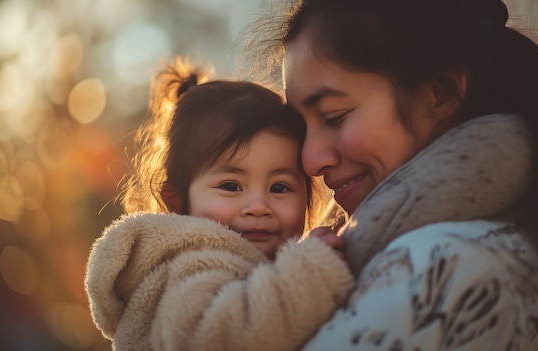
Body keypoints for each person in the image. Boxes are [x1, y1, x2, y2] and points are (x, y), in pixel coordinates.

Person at [241, 0, 538, 350]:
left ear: (439, 96)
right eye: (301, 128)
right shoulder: (523, 237)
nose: (309, 161)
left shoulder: (443, 269)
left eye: (334, 117)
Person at [84, 58, 354, 351]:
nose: (258, 206)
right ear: (176, 200)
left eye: (279, 187)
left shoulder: (253, 263)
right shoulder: (190, 264)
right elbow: (217, 338)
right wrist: (309, 276)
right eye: (230, 186)